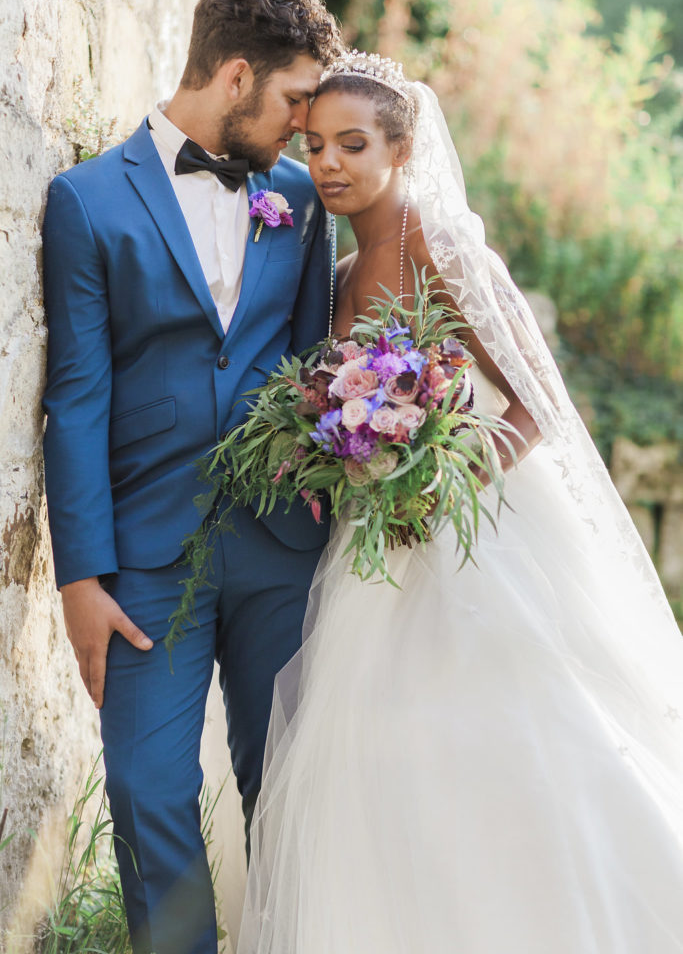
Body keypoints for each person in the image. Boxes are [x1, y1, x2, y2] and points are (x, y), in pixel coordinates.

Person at [236, 52, 683, 953]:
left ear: (400, 149)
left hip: (481, 534)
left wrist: (440, 481)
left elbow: (535, 405)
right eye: (315, 144)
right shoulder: (338, 269)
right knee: (379, 751)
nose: (328, 163)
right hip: (377, 548)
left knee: (506, 734)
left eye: (352, 144)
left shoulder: (440, 244)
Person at [41, 0, 342, 954]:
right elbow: (77, 395)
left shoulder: (302, 201)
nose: (304, 125)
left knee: (288, 790)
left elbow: (305, 366)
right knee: (144, 784)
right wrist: (80, 574)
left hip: (275, 549)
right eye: (296, 97)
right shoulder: (86, 202)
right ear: (235, 76)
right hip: (146, 558)